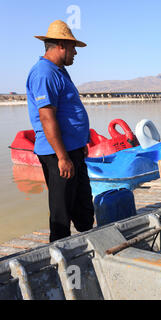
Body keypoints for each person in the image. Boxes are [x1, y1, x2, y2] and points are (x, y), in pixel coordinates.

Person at [26, 20, 94, 242]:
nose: (75, 52)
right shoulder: (44, 73)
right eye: (73, 47)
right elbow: (47, 117)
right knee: (61, 214)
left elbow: (68, 111)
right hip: (57, 153)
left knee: (84, 210)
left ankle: (84, 247)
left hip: (72, 150)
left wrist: (79, 142)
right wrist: (63, 157)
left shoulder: (59, 71)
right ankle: (60, 259)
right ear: (61, 45)